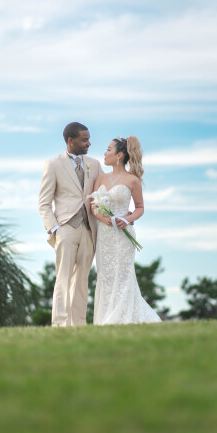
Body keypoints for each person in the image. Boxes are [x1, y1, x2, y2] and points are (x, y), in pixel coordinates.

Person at [91, 136, 161, 325]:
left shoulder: (133, 180)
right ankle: (105, 318)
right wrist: (103, 218)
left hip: (123, 235)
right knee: (105, 276)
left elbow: (139, 207)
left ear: (119, 155)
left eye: (108, 150)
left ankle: (122, 317)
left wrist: (126, 219)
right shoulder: (100, 179)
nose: (104, 153)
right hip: (104, 235)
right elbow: (93, 206)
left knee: (123, 275)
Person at [38, 122, 102, 326]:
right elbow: (44, 202)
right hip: (65, 228)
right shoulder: (53, 164)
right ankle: (59, 323)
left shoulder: (94, 163)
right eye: (84, 140)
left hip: (89, 229)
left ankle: (79, 324)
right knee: (63, 278)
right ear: (70, 141)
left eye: (89, 139)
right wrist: (55, 228)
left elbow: (99, 196)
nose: (89, 143)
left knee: (82, 280)